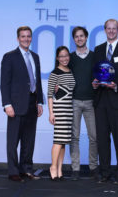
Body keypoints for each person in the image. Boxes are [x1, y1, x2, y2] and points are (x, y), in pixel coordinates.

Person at [92, 19, 118, 184]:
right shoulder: (98, 49)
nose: (111, 31)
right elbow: (94, 72)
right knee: (102, 139)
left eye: (113, 29)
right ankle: (105, 172)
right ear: (104, 30)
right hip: (101, 100)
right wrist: (94, 83)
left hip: (117, 100)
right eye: (108, 29)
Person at [0, 26, 44, 182]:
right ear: (18, 38)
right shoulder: (9, 57)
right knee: (13, 140)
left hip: (32, 103)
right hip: (16, 105)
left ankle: (26, 169)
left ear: (31, 38)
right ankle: (13, 171)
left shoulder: (35, 57)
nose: (26, 39)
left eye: (28, 36)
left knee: (29, 139)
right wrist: (7, 104)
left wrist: (40, 102)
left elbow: (37, 80)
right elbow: (4, 83)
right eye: (23, 36)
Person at [69, 26, 98, 180]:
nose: (79, 38)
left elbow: (103, 75)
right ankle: (75, 169)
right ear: (74, 39)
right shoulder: (70, 58)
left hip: (91, 102)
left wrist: (98, 81)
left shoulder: (95, 56)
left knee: (94, 136)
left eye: (82, 36)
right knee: (74, 137)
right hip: (74, 101)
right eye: (76, 36)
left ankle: (93, 167)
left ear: (86, 37)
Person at [48, 46, 75, 181]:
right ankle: (53, 167)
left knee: (64, 141)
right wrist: (51, 113)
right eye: (61, 56)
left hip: (69, 109)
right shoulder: (55, 73)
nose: (64, 58)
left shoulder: (70, 71)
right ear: (57, 58)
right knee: (58, 140)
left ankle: (59, 169)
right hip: (59, 109)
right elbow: (49, 94)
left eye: (66, 55)